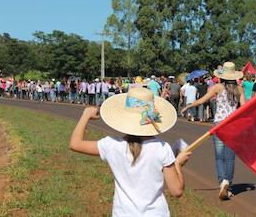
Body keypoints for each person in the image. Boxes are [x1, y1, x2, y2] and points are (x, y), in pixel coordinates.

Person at [70, 87, 191, 217]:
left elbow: (75, 144)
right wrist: (177, 163)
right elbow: (176, 191)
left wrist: (85, 115)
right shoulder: (162, 148)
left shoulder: (111, 145)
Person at [181, 62, 245, 200]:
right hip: (232, 124)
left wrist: (188, 107)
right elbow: (244, 107)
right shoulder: (239, 89)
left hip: (219, 124)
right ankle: (229, 183)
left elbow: (202, 100)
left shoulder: (217, 87)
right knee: (230, 157)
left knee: (219, 157)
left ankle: (222, 181)